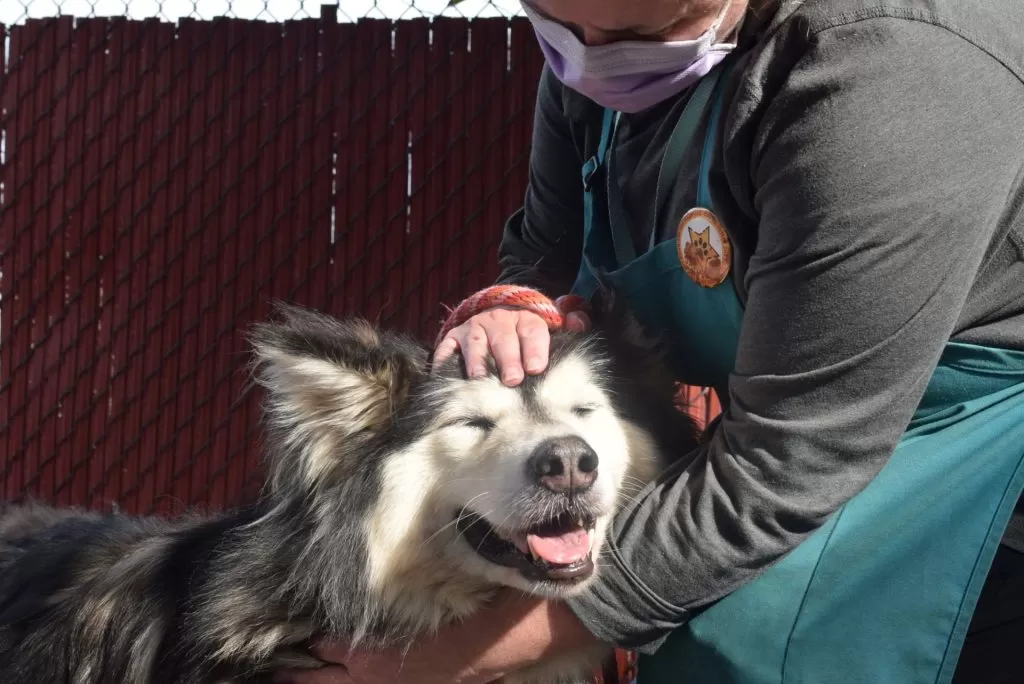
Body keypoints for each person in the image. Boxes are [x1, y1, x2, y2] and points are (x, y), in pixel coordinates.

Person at [275, 0, 1024, 682]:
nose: (593, 59)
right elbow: (544, 253)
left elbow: (789, 463)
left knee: (745, 652)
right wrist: (511, 303)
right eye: (557, 24)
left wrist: (462, 659)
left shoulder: (884, 75)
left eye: (643, 34)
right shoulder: (593, 41)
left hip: (973, 432)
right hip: (800, 428)